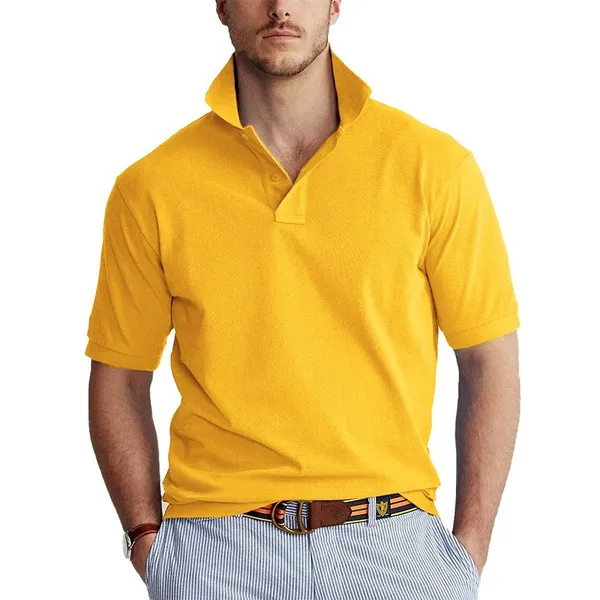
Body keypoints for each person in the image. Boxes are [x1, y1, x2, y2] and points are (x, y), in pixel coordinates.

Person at [85, 1, 521, 599]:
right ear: (221, 5)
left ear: (335, 4)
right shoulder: (151, 188)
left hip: (397, 544)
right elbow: (119, 374)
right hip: (215, 552)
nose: (280, 7)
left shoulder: (434, 168)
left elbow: (489, 357)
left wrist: (468, 552)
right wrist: (145, 537)